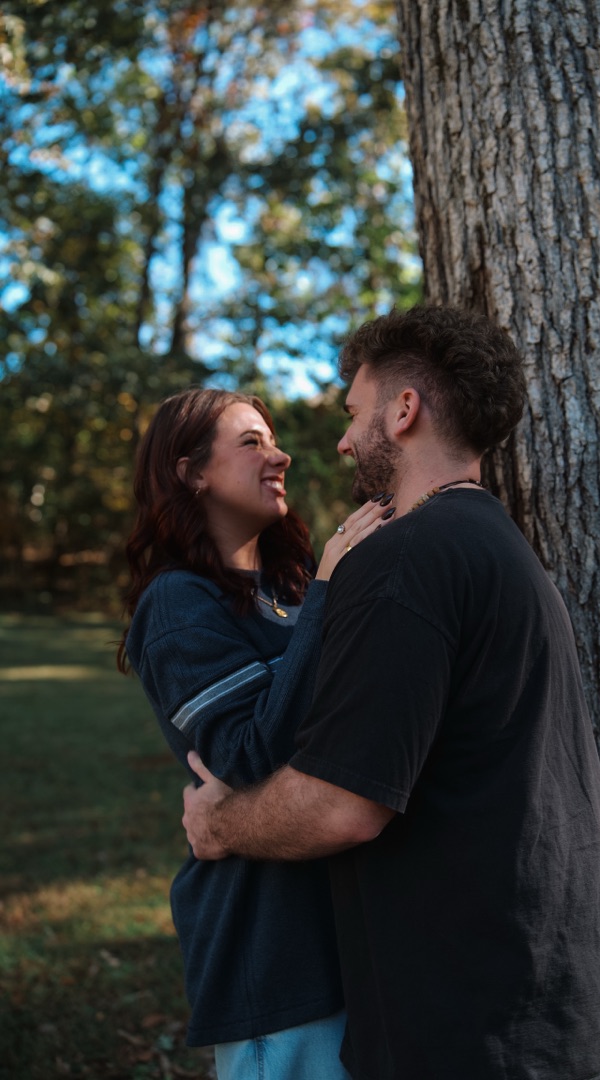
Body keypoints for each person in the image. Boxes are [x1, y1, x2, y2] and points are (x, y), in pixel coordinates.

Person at [182, 305, 600, 1080]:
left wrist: (222, 824)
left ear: (404, 411)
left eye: (353, 413)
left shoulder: (406, 557)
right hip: (570, 1016)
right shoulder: (497, 545)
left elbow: (342, 803)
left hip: (483, 1034)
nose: (339, 440)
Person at [117, 387, 391, 1080]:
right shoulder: (177, 602)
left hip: (348, 944)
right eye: (252, 443)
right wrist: (332, 588)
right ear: (191, 473)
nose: (282, 455)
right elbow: (246, 753)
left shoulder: (288, 586)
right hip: (272, 958)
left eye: (272, 441)